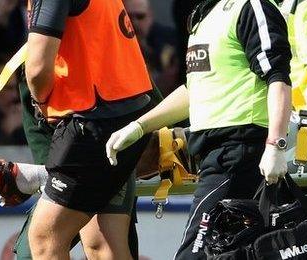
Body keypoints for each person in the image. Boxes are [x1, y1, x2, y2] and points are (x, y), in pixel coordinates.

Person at [105, 0, 292, 258]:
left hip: (239, 151)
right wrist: (139, 126)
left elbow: (278, 76)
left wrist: (276, 144)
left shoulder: (250, 6)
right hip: (214, 155)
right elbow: (194, 91)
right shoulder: (203, 17)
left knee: (194, 255)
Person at [20, 0, 153, 258]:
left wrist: (41, 104)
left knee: (45, 237)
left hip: (93, 122)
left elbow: (37, 70)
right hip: (128, 117)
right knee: (103, 242)